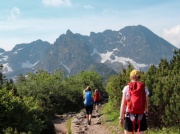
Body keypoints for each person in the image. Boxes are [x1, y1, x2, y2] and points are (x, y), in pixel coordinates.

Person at [119, 69, 149, 134]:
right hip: (141, 115)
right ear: (139, 77)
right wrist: (146, 116)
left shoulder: (126, 88)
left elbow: (123, 104)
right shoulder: (144, 88)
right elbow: (146, 105)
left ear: (130, 78)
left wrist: (121, 118)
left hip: (129, 115)